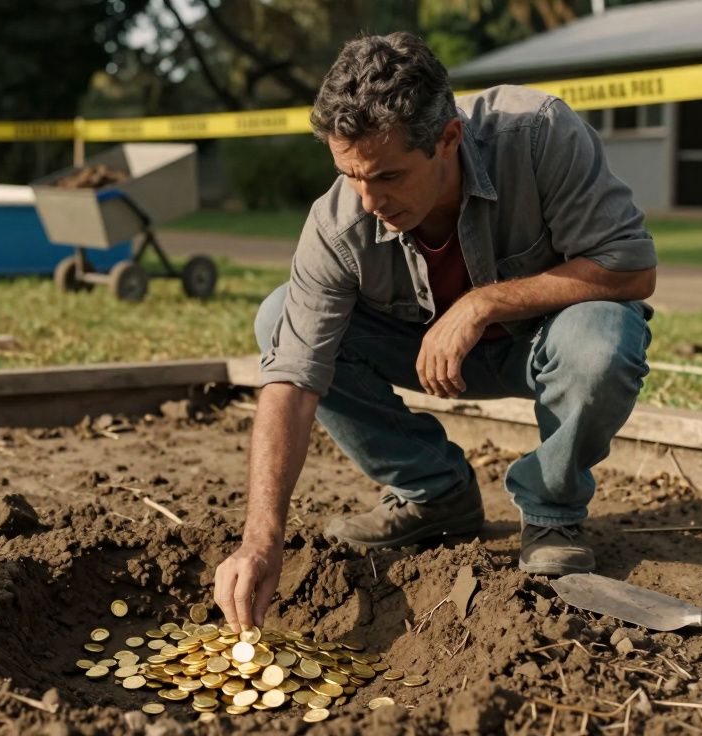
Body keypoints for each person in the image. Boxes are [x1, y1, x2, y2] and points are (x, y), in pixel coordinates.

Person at [212, 32, 656, 629]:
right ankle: (434, 495)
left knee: (604, 338)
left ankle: (552, 512)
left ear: (449, 139)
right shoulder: (339, 220)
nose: (369, 200)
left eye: (388, 176)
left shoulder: (537, 134)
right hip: (422, 352)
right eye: (350, 174)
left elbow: (631, 266)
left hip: (544, 344)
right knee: (278, 318)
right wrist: (261, 539)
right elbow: (292, 380)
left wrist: (482, 304)